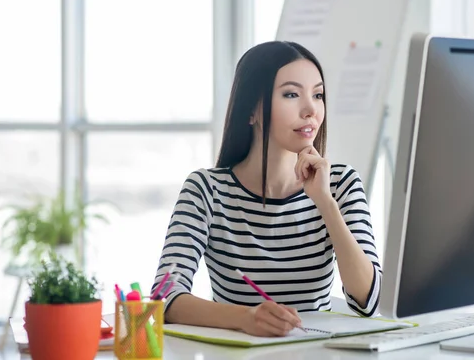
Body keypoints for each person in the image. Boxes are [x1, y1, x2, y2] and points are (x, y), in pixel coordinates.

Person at [151, 41, 382, 337]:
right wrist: (245, 318)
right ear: (251, 111)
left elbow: (369, 301)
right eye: (291, 94)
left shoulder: (341, 184)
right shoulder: (206, 190)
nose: (311, 109)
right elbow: (163, 295)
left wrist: (325, 202)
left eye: (318, 94)